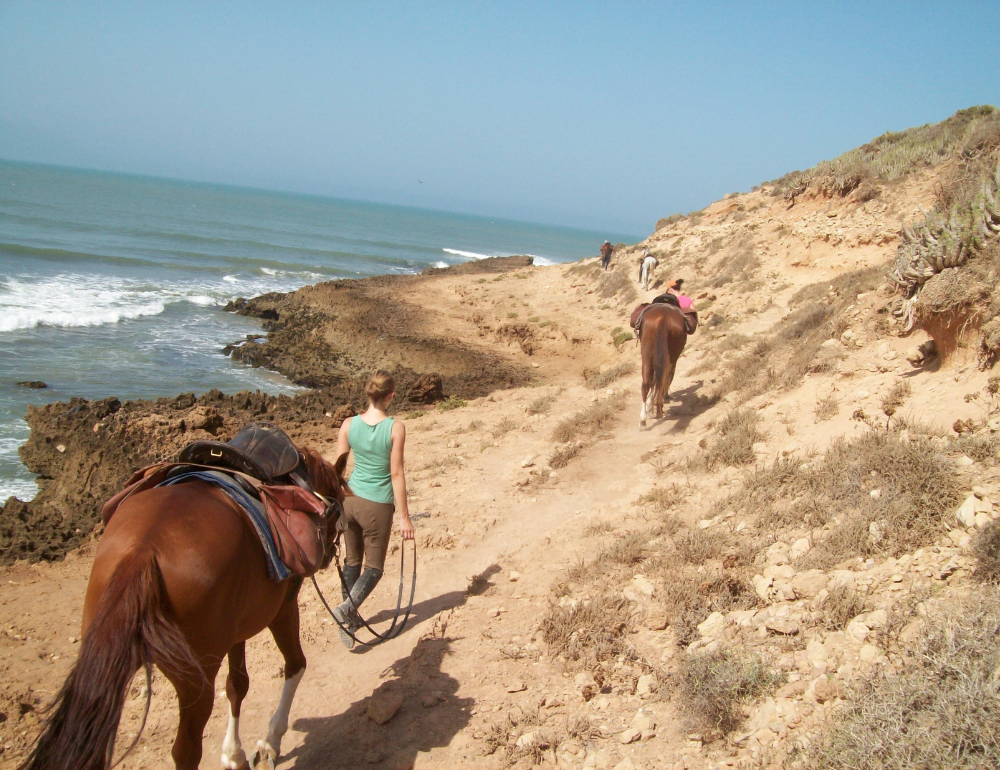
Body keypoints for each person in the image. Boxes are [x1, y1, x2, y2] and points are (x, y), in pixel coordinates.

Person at [333, 370, 415, 648]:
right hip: (377, 505)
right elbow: (396, 474)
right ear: (391, 396)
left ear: (368, 393)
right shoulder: (395, 427)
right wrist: (404, 517)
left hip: (349, 500)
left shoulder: (347, 424)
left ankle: (348, 614)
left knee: (352, 561)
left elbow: (338, 470)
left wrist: (334, 506)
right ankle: (346, 610)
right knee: (374, 568)